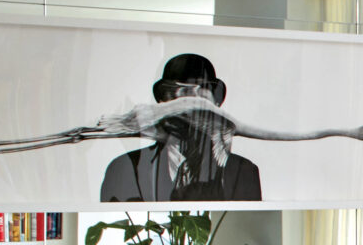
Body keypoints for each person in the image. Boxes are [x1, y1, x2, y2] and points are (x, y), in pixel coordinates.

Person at [99, 54, 262, 202]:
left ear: (215, 105)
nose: (186, 109)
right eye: (175, 95)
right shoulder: (124, 169)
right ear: (162, 103)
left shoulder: (242, 172)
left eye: (199, 98)